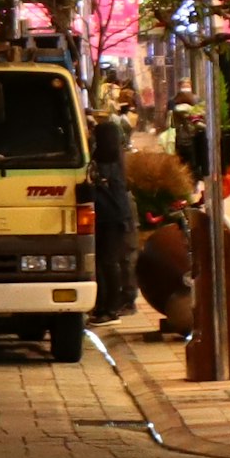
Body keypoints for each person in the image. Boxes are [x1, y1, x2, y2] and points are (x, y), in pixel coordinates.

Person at [84, 99, 138, 321]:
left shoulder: (109, 162)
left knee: (108, 262)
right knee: (104, 262)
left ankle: (111, 306)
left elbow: (107, 193)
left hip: (112, 220)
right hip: (110, 218)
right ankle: (105, 304)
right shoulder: (112, 159)